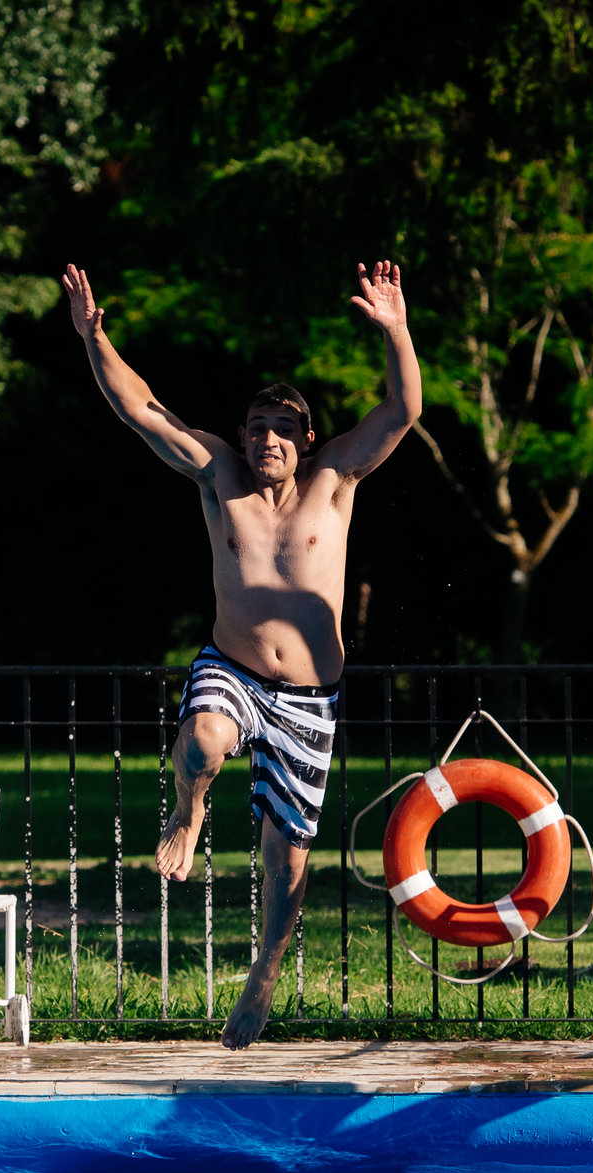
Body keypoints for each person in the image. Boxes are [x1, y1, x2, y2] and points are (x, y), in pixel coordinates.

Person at [60, 259, 422, 1046]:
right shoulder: (218, 474)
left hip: (309, 701)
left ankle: (262, 975)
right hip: (230, 670)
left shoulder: (336, 481)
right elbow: (141, 411)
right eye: (257, 425)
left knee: (286, 867)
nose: (265, 439)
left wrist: (395, 328)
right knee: (202, 738)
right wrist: (95, 338)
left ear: (306, 440)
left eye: (282, 428)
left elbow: (401, 409)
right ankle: (188, 811)